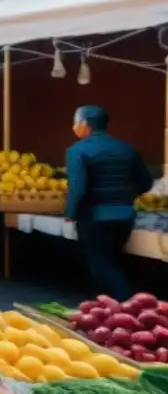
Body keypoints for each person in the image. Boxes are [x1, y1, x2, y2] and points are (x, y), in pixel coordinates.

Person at [66, 105, 153, 299]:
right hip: (125, 215)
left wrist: (70, 212)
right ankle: (107, 309)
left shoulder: (77, 151)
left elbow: (77, 186)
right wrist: (127, 195)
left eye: (75, 122)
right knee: (113, 260)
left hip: (94, 216)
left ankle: (128, 304)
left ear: (84, 124)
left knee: (100, 264)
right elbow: (146, 182)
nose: (74, 127)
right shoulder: (127, 149)